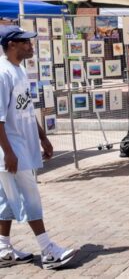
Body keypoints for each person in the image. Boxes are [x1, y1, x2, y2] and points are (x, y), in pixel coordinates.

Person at [0, 25, 76, 270]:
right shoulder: (3, 74)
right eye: (26, 42)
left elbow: (26, 109)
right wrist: (9, 152)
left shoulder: (18, 70)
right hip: (12, 148)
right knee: (30, 196)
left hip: (22, 145)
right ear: (12, 45)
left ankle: (3, 248)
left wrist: (42, 136)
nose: (31, 46)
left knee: (5, 200)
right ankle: (48, 250)